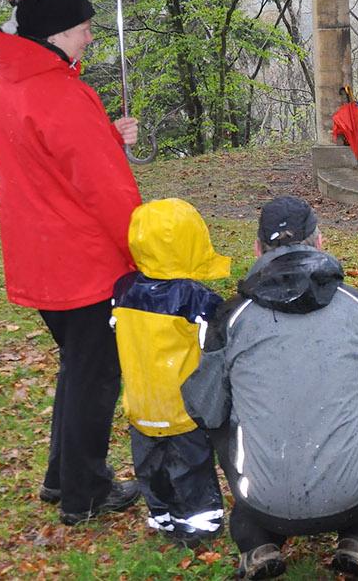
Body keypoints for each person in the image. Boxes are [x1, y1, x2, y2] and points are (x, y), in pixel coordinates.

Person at [183, 196, 358, 579]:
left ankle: (257, 544)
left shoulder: (231, 318)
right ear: (320, 242)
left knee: (219, 420)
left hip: (261, 502)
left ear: (257, 249)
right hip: (355, 495)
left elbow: (204, 408)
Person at [0, 0, 142, 524]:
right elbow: (104, 189)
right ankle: (86, 492)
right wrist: (142, 247)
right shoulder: (60, 94)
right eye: (83, 28)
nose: (91, 36)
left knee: (78, 368)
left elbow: (49, 160)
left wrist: (107, 136)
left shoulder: (3, 85)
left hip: (39, 254)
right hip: (85, 260)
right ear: (54, 35)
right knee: (96, 377)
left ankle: (61, 476)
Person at [113, 198, 229, 546]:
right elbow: (218, 341)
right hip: (183, 406)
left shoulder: (123, 290)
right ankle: (200, 523)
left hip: (141, 403)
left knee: (150, 467)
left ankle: (162, 515)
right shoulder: (195, 298)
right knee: (190, 466)